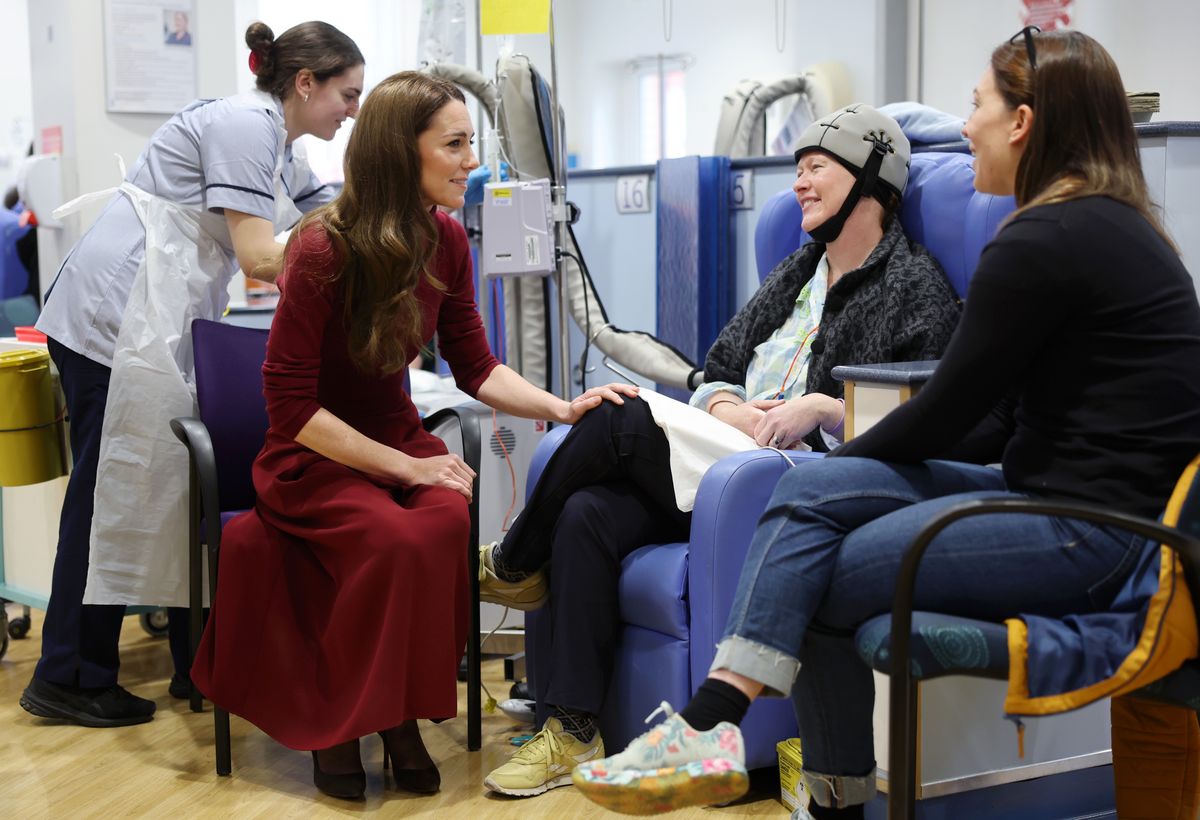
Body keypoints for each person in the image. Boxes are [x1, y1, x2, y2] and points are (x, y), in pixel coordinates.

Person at [573, 29, 1200, 820]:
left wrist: (843, 467)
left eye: (978, 106)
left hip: (1101, 537)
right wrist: (845, 477)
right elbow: (995, 420)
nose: (964, 126)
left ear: (1024, 122)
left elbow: (945, 415)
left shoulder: (1043, 238)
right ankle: (743, 747)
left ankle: (740, 745)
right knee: (817, 524)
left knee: (819, 575)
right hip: (1086, 506)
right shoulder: (1111, 225)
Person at [478, 105, 962, 798]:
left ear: (871, 182)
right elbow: (717, 365)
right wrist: (728, 406)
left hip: (791, 477)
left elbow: (923, 417)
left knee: (618, 419)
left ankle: (512, 560)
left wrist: (824, 410)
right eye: (796, 171)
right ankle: (571, 729)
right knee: (586, 511)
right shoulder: (798, 270)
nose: (798, 184)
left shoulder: (915, 289)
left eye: (815, 168)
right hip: (721, 452)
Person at [188, 70, 636, 802]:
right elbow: (292, 408)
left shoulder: (447, 240)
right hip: (314, 456)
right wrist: (409, 467)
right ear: (403, 152)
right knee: (394, 537)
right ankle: (344, 725)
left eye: (471, 143)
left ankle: (396, 717)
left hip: (398, 443)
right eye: (455, 145)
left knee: (441, 526)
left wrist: (564, 408)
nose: (471, 161)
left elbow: (478, 366)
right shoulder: (320, 250)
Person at [20, 21, 364, 728]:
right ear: (306, 83)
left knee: (162, 485)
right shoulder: (246, 125)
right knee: (108, 487)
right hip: (112, 319)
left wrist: (378, 208)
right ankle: (68, 675)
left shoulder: (278, 142)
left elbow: (317, 213)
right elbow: (262, 258)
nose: (353, 110)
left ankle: (192, 665)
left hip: (148, 317)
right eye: (348, 94)